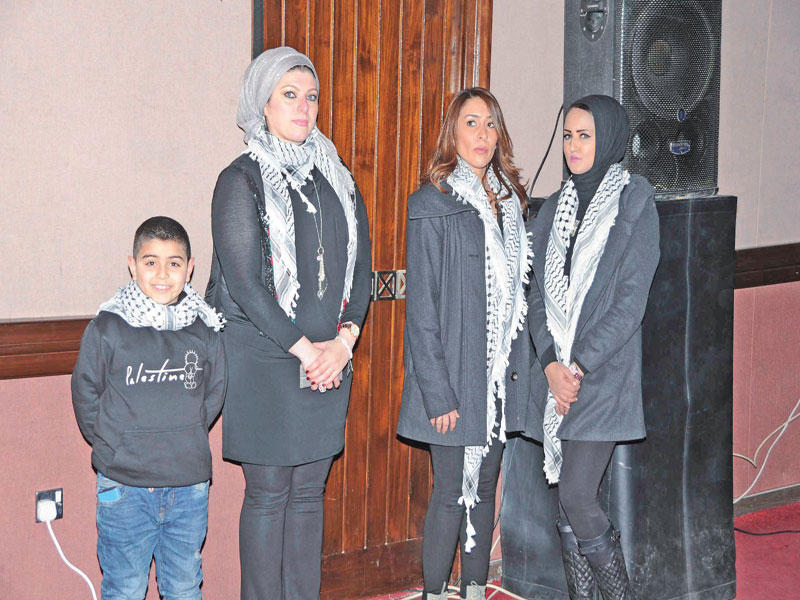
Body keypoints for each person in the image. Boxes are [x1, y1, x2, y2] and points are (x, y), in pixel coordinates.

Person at [205, 46, 371, 599]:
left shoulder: (338, 180)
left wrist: (343, 344)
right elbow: (245, 284)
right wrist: (307, 351)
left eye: (311, 96)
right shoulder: (240, 180)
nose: (304, 107)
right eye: (290, 95)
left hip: (331, 360)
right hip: (265, 361)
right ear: (263, 102)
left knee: (308, 494)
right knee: (270, 494)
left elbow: (362, 271)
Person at [397, 88, 532, 600]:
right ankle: (435, 592)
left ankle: (474, 590)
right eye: (471, 123)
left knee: (485, 491)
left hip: (497, 379)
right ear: (452, 132)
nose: (482, 134)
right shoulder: (432, 203)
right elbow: (422, 310)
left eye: (491, 124)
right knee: (451, 493)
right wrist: (437, 393)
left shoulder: (510, 206)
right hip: (451, 379)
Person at [525, 95, 660, 600]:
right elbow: (535, 295)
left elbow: (630, 303)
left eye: (585, 135)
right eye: (568, 135)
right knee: (566, 503)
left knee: (578, 495)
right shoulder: (553, 208)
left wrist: (576, 367)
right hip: (556, 375)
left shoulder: (634, 202)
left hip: (601, 377)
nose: (573, 146)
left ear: (609, 140)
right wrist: (550, 365)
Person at [71, 216, 226, 599]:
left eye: (174, 263)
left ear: (190, 269)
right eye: (150, 262)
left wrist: (184, 434)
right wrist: (114, 445)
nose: (162, 273)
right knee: (125, 587)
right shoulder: (108, 327)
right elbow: (86, 393)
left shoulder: (204, 329)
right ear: (133, 265)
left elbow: (213, 394)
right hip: (124, 488)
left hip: (188, 486)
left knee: (184, 587)